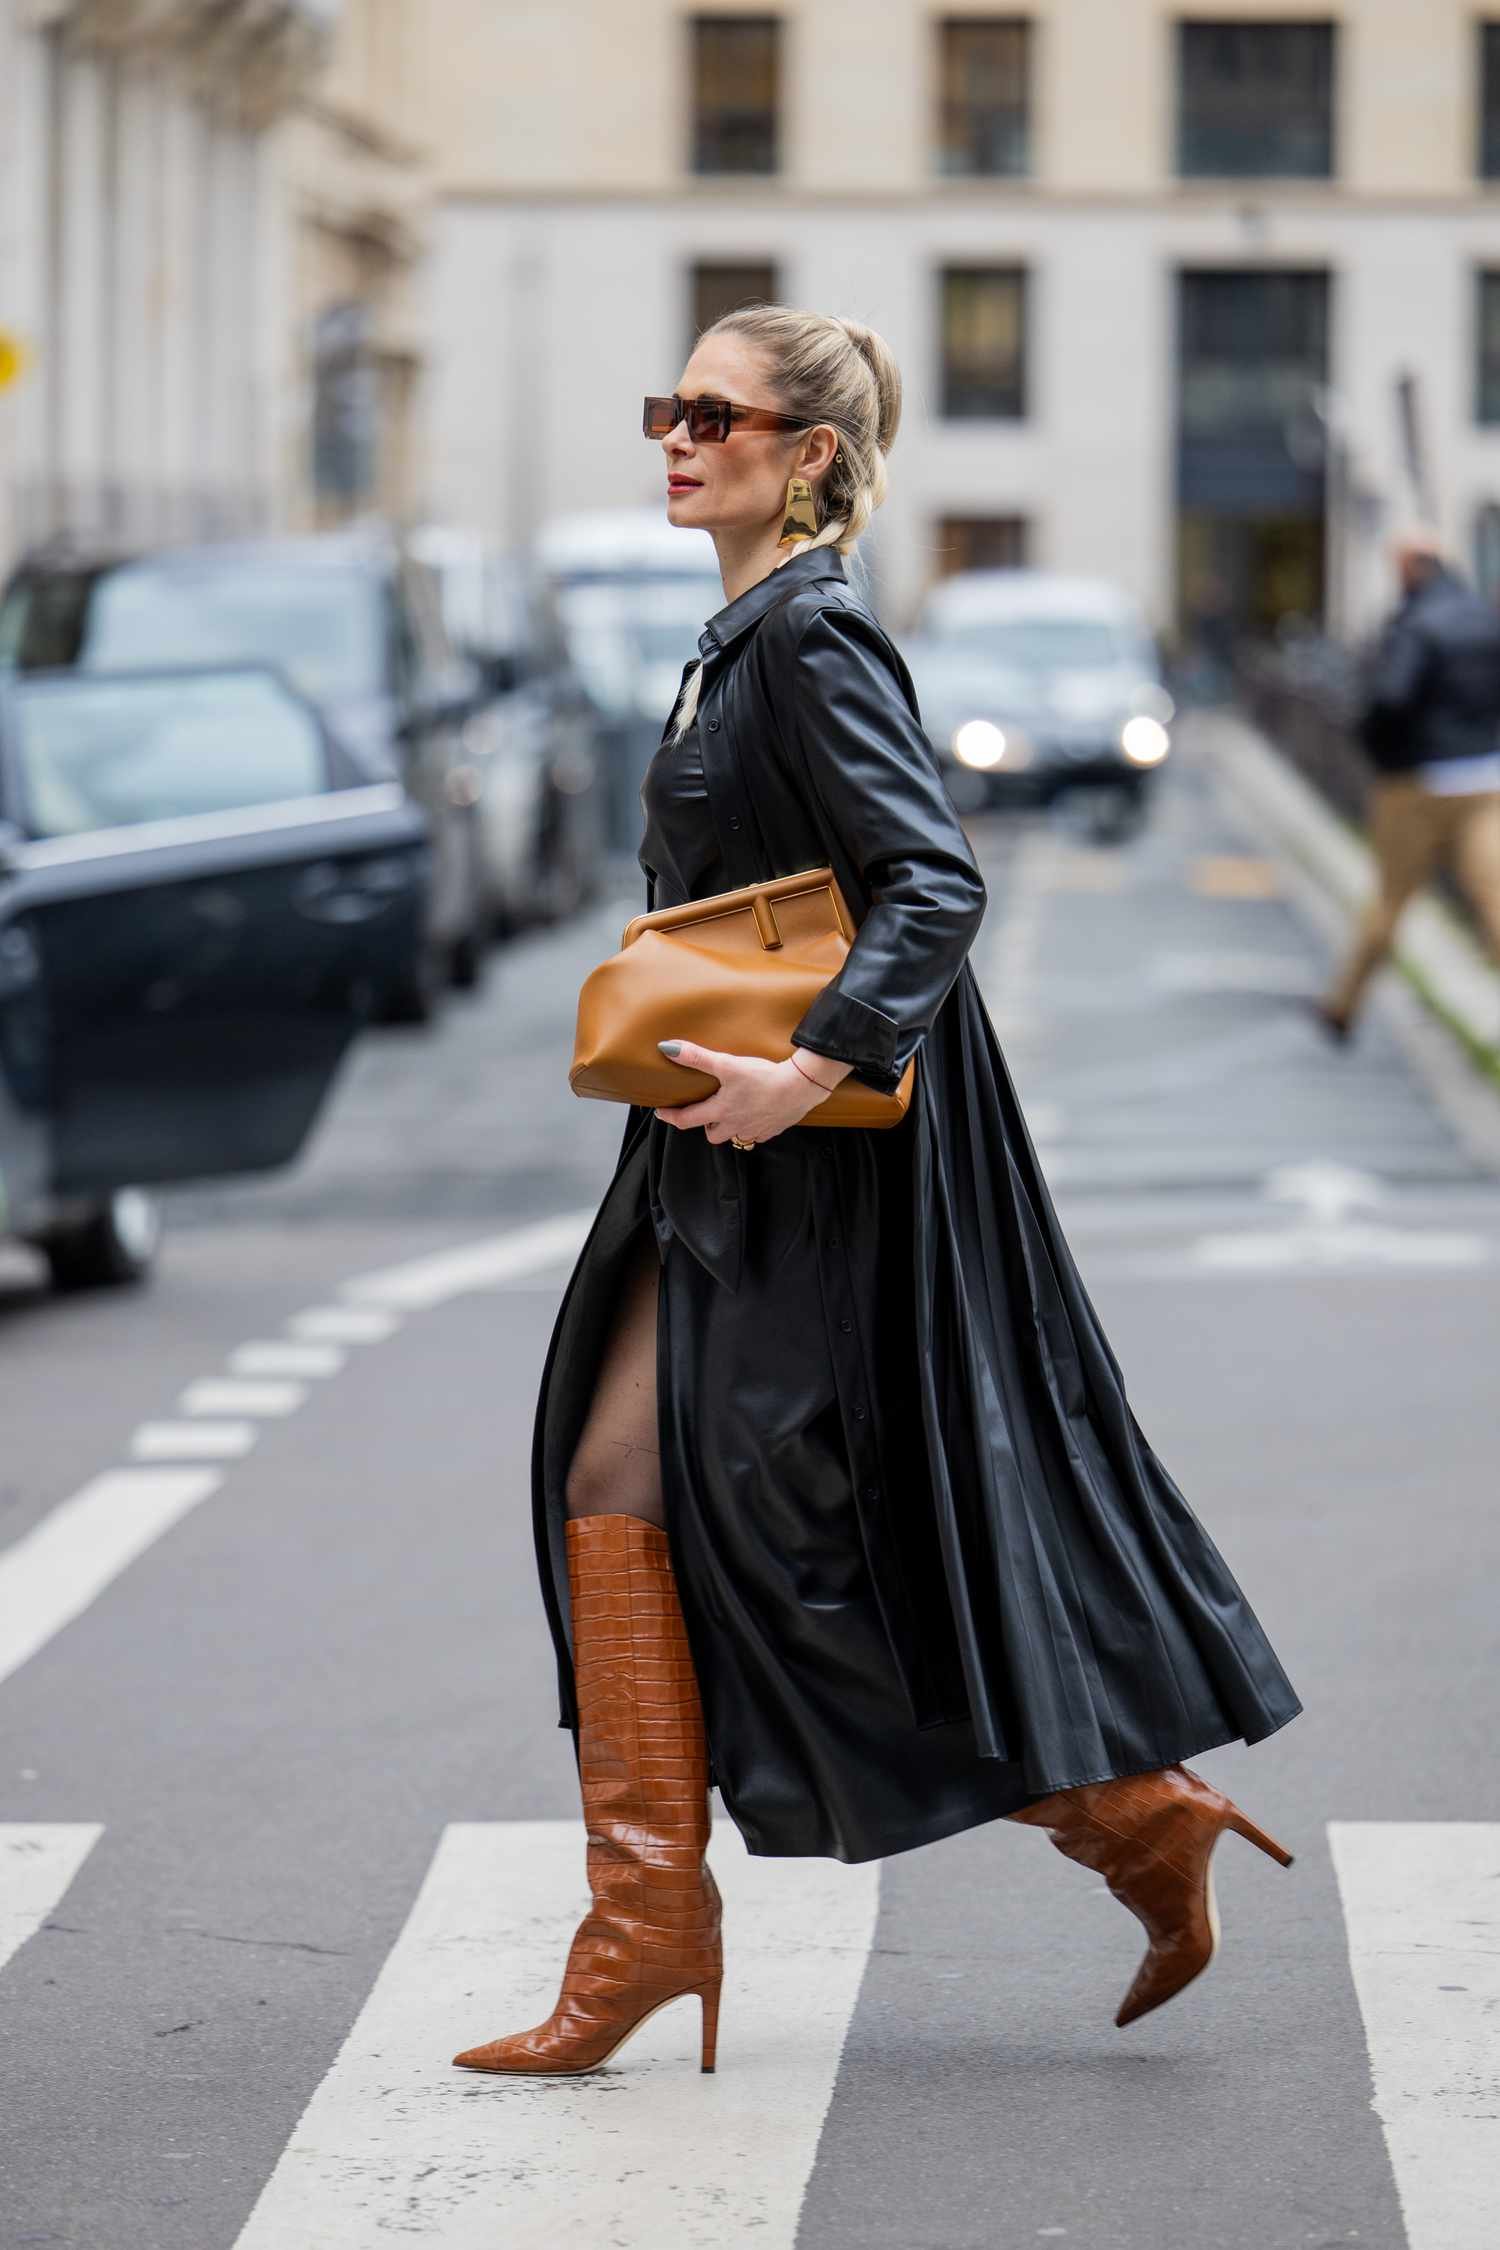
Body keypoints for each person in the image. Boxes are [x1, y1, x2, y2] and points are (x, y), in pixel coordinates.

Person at [452, 306, 1302, 2080]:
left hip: (815, 1159)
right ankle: (654, 1926)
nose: (674, 438)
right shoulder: (746, 636)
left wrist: (808, 1068)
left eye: (710, 413)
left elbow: (933, 881)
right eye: (662, 405)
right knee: (619, 1479)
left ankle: (1122, 1813)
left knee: (825, 1545)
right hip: (724, 1148)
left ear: (807, 454)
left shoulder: (814, 639)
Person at [1317, 527, 1500, 1038]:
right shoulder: (1484, 619)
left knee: (1391, 899)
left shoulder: (1416, 627)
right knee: (1493, 897)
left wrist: (1377, 746)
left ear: (1410, 568)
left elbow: (1392, 698)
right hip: (1483, 776)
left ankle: (1344, 1003)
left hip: (1417, 780)